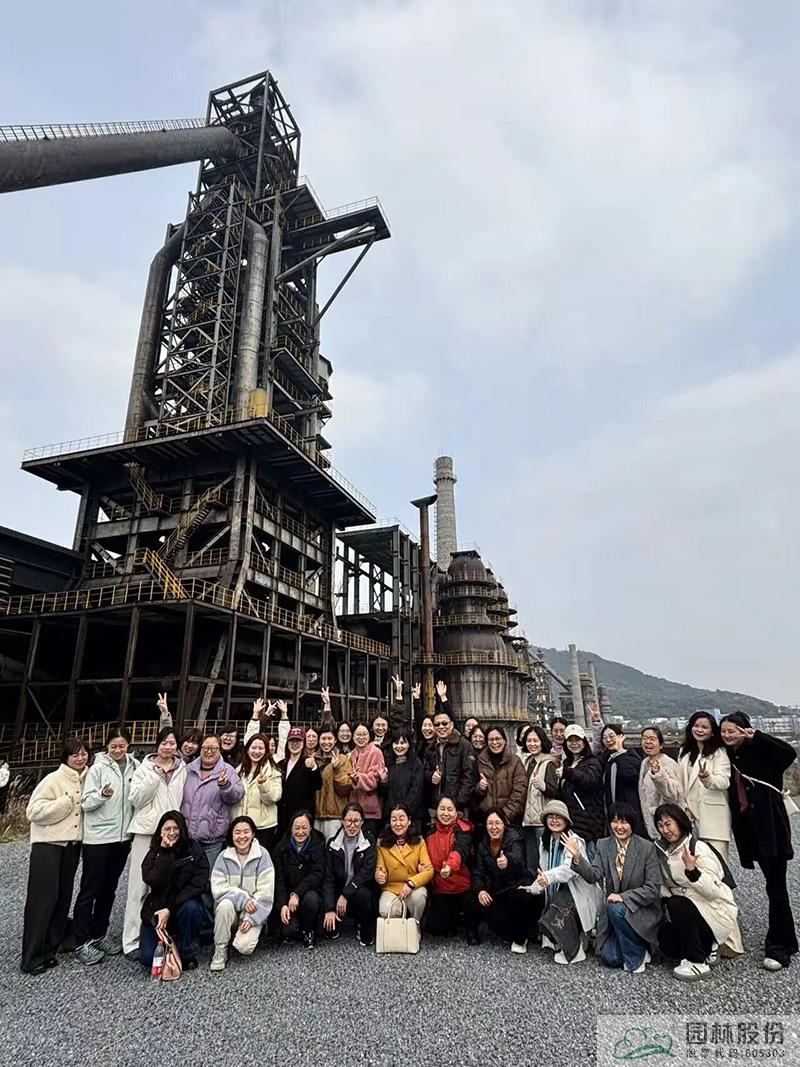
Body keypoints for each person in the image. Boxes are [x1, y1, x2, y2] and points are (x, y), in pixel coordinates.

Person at [721, 713, 798, 971]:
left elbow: (789, 753)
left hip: (771, 828)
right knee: (774, 887)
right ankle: (788, 940)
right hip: (751, 832)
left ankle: (779, 948)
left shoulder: (762, 750)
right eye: (724, 731)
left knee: (776, 887)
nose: (727, 735)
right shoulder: (728, 755)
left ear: (744, 730)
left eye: (732, 731)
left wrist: (759, 737)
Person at [563, 802, 661, 973]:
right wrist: (578, 858)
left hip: (641, 910)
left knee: (614, 906)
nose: (619, 827)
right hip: (615, 916)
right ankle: (639, 947)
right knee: (610, 958)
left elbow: (653, 888)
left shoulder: (647, 848)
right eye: (615, 821)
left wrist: (623, 897)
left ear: (632, 823)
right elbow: (593, 875)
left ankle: (636, 958)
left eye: (624, 822)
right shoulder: (604, 845)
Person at [20, 739, 88, 975]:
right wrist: (63, 804)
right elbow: (33, 811)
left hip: (72, 846)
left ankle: (50, 950)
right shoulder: (53, 779)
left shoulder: (88, 778)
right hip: (48, 846)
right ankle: (31, 957)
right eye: (75, 755)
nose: (80, 758)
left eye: (83, 754)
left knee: (62, 899)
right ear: (65, 758)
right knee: (42, 901)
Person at [73, 724, 139, 964]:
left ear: (128, 745)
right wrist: (102, 795)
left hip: (122, 838)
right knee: (90, 889)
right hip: (99, 838)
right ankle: (80, 941)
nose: (118, 750)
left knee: (109, 889)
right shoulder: (97, 768)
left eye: (122, 746)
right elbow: (85, 803)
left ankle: (99, 934)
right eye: (114, 746)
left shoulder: (135, 766)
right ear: (107, 746)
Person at [654, 803, 742, 980]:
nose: (665, 830)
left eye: (669, 824)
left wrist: (692, 871)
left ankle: (697, 962)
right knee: (666, 940)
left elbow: (714, 891)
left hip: (715, 910)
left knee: (677, 904)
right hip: (693, 911)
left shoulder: (698, 848)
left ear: (680, 822)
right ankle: (707, 947)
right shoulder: (664, 850)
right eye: (660, 825)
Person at [123, 724, 186, 957]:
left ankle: (159, 935)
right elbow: (135, 799)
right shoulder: (145, 768)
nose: (167, 747)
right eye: (164, 743)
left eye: (172, 743)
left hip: (171, 833)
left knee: (165, 886)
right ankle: (131, 940)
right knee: (139, 886)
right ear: (157, 745)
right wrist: (154, 778)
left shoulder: (182, 768)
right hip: (147, 831)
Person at [524, 799, 599, 964]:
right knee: (538, 901)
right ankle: (572, 939)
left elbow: (568, 870)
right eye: (550, 816)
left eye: (558, 817)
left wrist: (548, 877)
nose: (554, 820)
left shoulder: (574, 841)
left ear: (566, 820)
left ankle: (574, 951)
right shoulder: (545, 842)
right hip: (557, 893)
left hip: (578, 895)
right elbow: (543, 871)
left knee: (560, 898)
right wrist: (534, 887)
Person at [181, 735, 244, 925]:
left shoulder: (227, 771)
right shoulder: (188, 770)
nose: (209, 752)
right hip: (188, 837)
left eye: (213, 748)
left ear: (220, 750)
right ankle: (188, 922)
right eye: (205, 748)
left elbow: (237, 795)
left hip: (212, 838)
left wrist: (225, 786)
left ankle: (209, 924)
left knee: (210, 882)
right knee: (186, 880)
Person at [138, 809, 208, 971]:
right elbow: (151, 880)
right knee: (148, 958)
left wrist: (170, 909)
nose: (171, 832)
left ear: (182, 829)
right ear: (160, 831)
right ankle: (169, 942)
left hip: (181, 906)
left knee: (192, 908)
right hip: (156, 908)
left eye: (176, 828)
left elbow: (198, 884)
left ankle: (186, 951)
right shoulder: (155, 852)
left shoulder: (194, 850)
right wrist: (164, 853)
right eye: (167, 829)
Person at [463, 809, 540, 952]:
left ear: (504, 824)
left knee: (520, 898)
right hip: (499, 890)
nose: (494, 827)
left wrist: (508, 861)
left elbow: (518, 859)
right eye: (490, 823)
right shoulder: (483, 845)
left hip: (518, 886)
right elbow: (477, 873)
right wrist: (480, 890)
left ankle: (521, 937)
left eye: (497, 823)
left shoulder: (514, 838)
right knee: (472, 900)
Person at [210, 816, 275, 971]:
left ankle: (242, 933)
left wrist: (251, 919)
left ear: (253, 834)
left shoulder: (263, 855)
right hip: (230, 910)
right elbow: (218, 888)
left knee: (244, 947)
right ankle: (220, 948)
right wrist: (242, 899)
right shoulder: (224, 857)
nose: (242, 836)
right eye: (237, 832)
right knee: (224, 905)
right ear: (232, 835)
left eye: (246, 832)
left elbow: (266, 892)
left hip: (253, 911)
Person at [322, 802, 378, 946]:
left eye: (356, 821)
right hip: (338, 888)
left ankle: (364, 927)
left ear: (362, 822)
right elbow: (328, 878)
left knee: (365, 896)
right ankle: (333, 921)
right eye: (349, 821)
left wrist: (346, 894)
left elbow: (367, 872)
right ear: (342, 821)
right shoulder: (332, 844)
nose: (352, 826)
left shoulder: (369, 841)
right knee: (328, 926)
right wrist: (329, 908)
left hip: (358, 889)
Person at [679, 712, 731, 860]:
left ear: (712, 732)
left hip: (712, 816)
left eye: (704, 727)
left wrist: (707, 778)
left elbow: (724, 781)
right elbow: (681, 783)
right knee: (694, 863)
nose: (699, 730)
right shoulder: (685, 752)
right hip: (689, 815)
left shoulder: (719, 752)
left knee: (717, 862)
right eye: (696, 726)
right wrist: (684, 807)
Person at [271, 810, 326, 948]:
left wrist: (297, 894)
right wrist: (283, 904)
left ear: (311, 828)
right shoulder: (281, 848)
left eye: (304, 828)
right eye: (296, 828)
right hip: (288, 897)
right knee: (287, 931)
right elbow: (279, 879)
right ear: (291, 828)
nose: (300, 832)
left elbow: (317, 874)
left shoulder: (318, 845)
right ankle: (295, 926)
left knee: (311, 900)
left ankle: (309, 930)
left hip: (309, 892)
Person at [375, 805, 434, 923]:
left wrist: (411, 883)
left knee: (420, 897)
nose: (398, 824)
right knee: (386, 909)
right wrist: (379, 876)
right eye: (394, 819)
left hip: (413, 887)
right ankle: (397, 929)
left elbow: (429, 870)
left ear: (409, 821)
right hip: (391, 888)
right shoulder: (382, 842)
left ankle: (415, 924)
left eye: (401, 819)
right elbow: (379, 868)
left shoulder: (419, 841)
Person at [425, 796, 472, 937]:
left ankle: (470, 926)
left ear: (457, 812)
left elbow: (460, 851)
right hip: (441, 888)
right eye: (442, 809)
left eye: (450, 809)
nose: (445, 813)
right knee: (435, 927)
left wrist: (450, 866)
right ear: (436, 811)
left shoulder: (463, 830)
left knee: (473, 906)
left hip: (463, 886)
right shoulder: (430, 832)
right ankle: (452, 919)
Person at [423, 698, 478, 816]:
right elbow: (424, 771)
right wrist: (430, 776)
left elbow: (470, 777)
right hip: (435, 806)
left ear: (451, 724)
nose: (441, 727)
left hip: (457, 808)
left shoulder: (464, 745)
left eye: (444, 723)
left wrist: (457, 802)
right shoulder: (430, 748)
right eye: (437, 724)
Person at [233, 731, 283, 852]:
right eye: (253, 747)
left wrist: (264, 784)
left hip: (263, 827)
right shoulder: (238, 770)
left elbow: (274, 797)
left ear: (266, 751)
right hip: (240, 825)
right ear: (247, 749)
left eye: (261, 748)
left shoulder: (273, 771)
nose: (256, 751)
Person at [557, 724, 605, 846]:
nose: (574, 743)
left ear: (584, 742)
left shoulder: (592, 761)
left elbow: (590, 780)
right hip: (571, 819)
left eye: (577, 740)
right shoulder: (567, 762)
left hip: (588, 820)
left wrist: (567, 773)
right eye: (570, 740)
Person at [520, 725, 559, 871]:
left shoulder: (549, 763)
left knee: (543, 861)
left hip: (541, 820)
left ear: (542, 741)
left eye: (535, 741)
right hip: (527, 820)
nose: (532, 744)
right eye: (529, 741)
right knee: (531, 861)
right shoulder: (527, 761)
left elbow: (556, 792)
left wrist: (543, 786)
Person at [473, 726, 528, 826]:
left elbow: (520, 791)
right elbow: (472, 790)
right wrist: (480, 788)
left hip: (510, 820)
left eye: (498, 739)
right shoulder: (480, 761)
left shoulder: (515, 761)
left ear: (504, 740)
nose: (495, 742)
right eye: (491, 739)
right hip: (486, 820)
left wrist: (504, 815)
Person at [638, 726, 682, 840]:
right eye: (645, 738)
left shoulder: (668, 764)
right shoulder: (644, 763)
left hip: (668, 823)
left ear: (661, 745)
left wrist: (658, 775)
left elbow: (674, 793)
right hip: (652, 823)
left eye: (652, 739)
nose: (648, 742)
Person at [278, 725, 322, 833]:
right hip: (282, 816)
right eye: (292, 741)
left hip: (301, 816)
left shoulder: (308, 763)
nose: (295, 744)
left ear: (303, 743)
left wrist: (314, 768)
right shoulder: (281, 764)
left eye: (298, 741)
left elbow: (317, 785)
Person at [599, 724, 643, 831]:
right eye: (604, 738)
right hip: (612, 812)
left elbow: (630, 777)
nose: (608, 740)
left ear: (620, 737)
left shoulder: (631, 756)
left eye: (611, 736)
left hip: (629, 811)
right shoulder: (607, 759)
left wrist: (620, 751)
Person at [314, 725, 353, 842]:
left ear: (335, 740)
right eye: (323, 738)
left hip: (335, 816)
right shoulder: (313, 759)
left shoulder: (343, 759)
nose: (326, 742)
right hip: (315, 815)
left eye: (329, 739)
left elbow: (345, 788)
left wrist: (337, 769)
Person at [381, 732, 425, 831]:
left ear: (409, 744)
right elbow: (383, 794)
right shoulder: (389, 763)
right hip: (391, 817)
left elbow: (416, 790)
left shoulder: (416, 764)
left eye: (403, 743)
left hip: (412, 816)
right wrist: (384, 781)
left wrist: (403, 811)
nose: (399, 746)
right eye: (396, 743)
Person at [349, 722, 386, 841]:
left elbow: (375, 778)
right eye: (358, 734)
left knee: (368, 843)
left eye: (364, 734)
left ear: (369, 736)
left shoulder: (376, 752)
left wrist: (358, 778)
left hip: (370, 810)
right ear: (353, 736)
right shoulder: (351, 754)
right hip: (353, 808)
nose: (361, 737)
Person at [245, 697, 291, 761]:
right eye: (267, 745)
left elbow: (284, 739)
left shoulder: (278, 759)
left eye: (273, 745)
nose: (270, 748)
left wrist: (284, 714)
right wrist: (255, 714)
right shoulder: (253, 759)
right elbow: (250, 737)